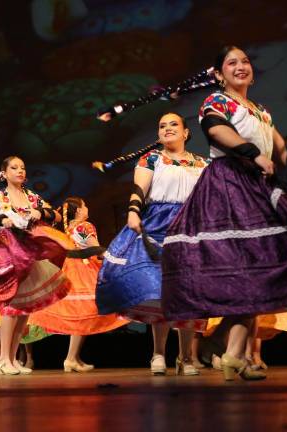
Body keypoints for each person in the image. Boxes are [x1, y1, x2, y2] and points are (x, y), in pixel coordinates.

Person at [161, 46, 287, 381]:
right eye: (231, 63)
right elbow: (215, 130)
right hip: (229, 187)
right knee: (249, 269)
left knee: (260, 271)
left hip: (256, 186)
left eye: (245, 62)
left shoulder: (261, 110)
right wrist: (252, 153)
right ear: (220, 74)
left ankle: (232, 355)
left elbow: (281, 146)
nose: (241, 67)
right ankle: (225, 346)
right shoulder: (217, 101)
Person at [96, 113, 209, 376]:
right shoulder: (152, 158)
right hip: (158, 225)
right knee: (160, 291)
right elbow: (139, 189)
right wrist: (133, 211)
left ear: (186, 132)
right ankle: (158, 353)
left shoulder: (203, 163)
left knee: (190, 292)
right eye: (162, 126)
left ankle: (186, 357)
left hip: (190, 227)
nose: (167, 129)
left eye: (173, 124)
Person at [0, 156, 73, 375]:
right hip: (7, 251)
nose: (20, 171)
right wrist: (1, 220)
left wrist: (41, 213)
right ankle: (2, 359)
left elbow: (55, 215)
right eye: (14, 167)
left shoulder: (31, 196)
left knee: (24, 307)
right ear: (4, 173)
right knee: (10, 303)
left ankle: (12, 357)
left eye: (22, 168)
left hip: (29, 251)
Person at [29, 197, 129, 372]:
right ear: (78, 211)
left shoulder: (70, 228)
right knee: (87, 311)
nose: (87, 208)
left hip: (72, 270)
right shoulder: (84, 226)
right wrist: (118, 259)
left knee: (80, 313)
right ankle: (71, 358)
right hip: (85, 271)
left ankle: (72, 358)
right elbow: (96, 249)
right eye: (85, 205)